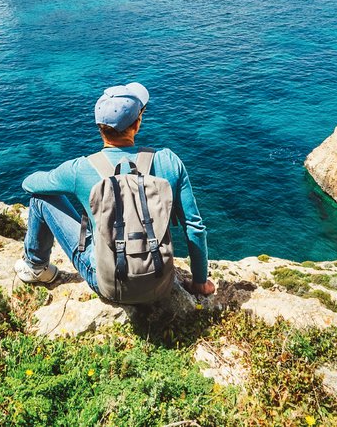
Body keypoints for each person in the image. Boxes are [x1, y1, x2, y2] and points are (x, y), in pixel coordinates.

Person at [13, 81, 215, 298]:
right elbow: (194, 227)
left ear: (99, 127)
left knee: (40, 200)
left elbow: (30, 184)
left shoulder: (80, 168)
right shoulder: (169, 161)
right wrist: (200, 283)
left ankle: (36, 267)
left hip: (107, 284)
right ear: (137, 124)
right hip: (159, 282)